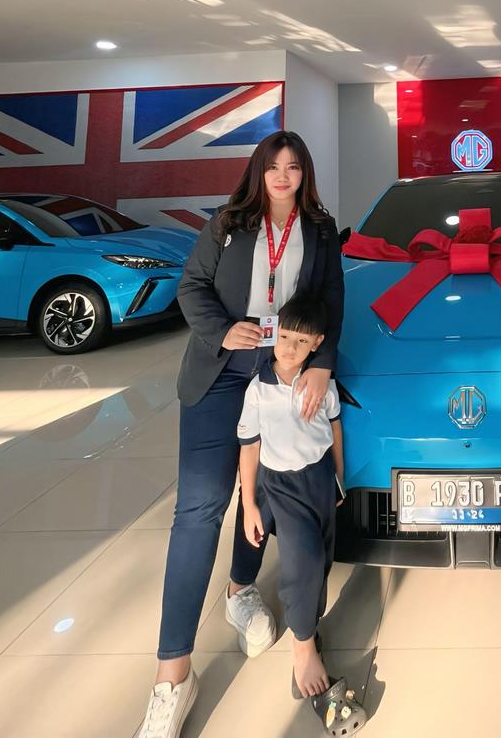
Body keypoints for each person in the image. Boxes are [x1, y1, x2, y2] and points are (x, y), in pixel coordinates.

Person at [134, 131, 344, 738]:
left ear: (304, 174)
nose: (282, 175)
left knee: (273, 490)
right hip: (221, 373)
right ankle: (173, 676)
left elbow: (332, 299)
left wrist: (323, 361)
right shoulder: (228, 222)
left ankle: (241, 588)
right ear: (259, 172)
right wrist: (223, 330)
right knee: (201, 507)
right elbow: (191, 287)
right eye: (273, 166)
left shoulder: (321, 229)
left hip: (285, 373)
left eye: (293, 166)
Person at [237, 294, 367, 732]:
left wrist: (339, 476)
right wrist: (249, 504)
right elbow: (249, 447)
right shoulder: (259, 390)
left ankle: (307, 622)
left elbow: (334, 429)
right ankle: (303, 649)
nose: (290, 348)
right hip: (282, 486)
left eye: (301, 341)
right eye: (285, 337)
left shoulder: (321, 384)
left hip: (319, 479)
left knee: (323, 559)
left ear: (318, 344)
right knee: (303, 562)